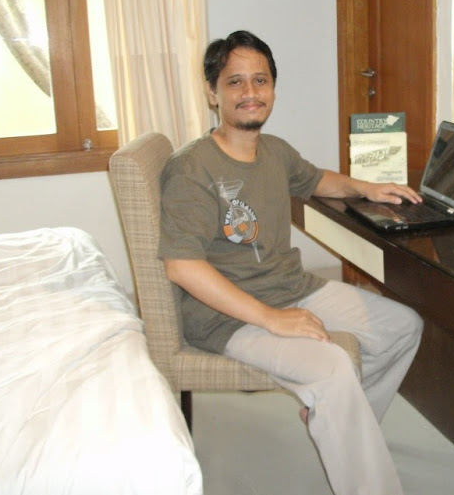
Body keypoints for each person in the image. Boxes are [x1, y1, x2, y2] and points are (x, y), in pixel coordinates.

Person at [158, 30, 424, 495]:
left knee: (403, 327)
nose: (250, 92)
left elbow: (317, 179)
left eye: (260, 80)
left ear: (273, 90)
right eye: (235, 81)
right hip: (228, 316)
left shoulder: (274, 151)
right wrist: (271, 318)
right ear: (212, 93)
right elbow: (181, 266)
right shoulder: (192, 168)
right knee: (333, 367)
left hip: (292, 288)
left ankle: (337, 421)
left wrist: (366, 187)